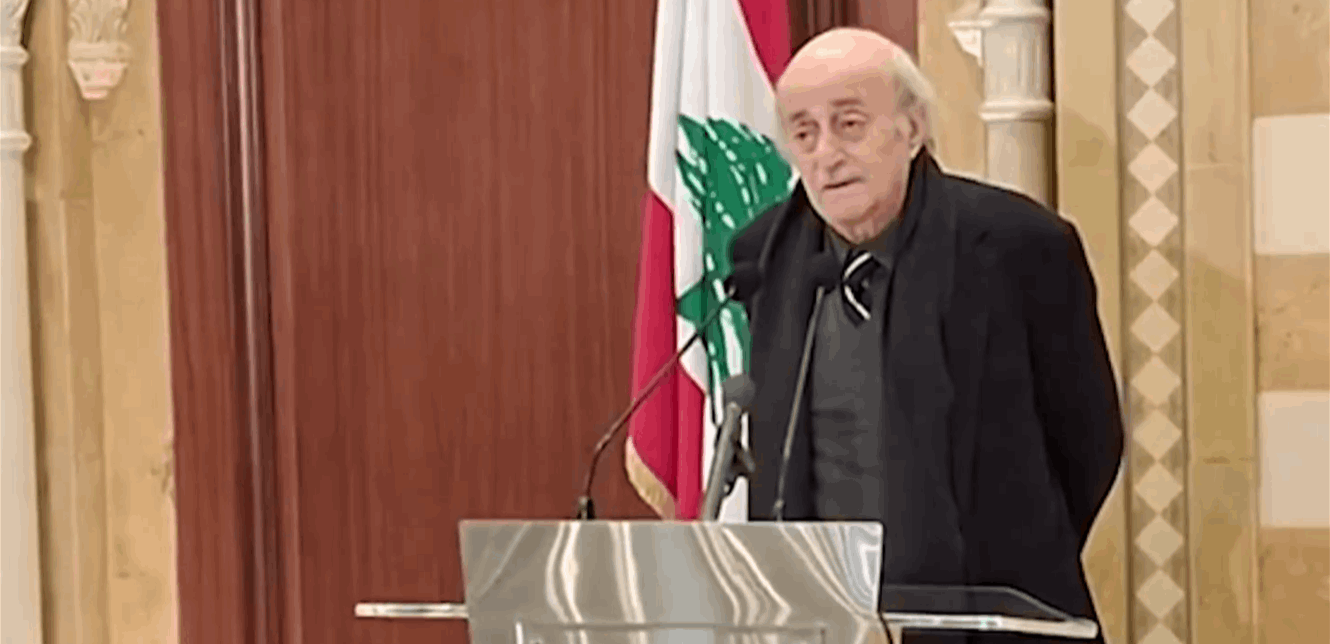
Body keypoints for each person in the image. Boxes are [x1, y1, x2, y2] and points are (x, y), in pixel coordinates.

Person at [729, 28, 1124, 643]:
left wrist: (1007, 554)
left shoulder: (1018, 247)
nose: (826, 154)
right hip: (823, 621)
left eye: (850, 124)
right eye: (804, 134)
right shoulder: (767, 255)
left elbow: (1088, 439)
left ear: (912, 129)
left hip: (992, 618)